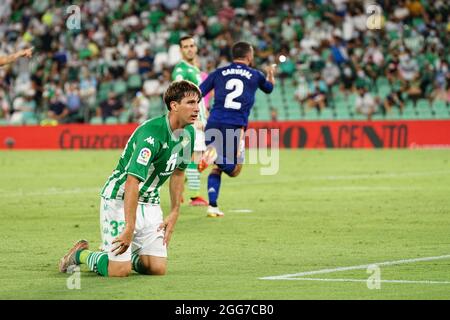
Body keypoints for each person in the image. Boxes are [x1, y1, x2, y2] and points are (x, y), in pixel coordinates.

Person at [59, 80, 199, 277]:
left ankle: (120, 256)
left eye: (197, 103)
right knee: (118, 271)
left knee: (156, 268)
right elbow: (132, 181)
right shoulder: (152, 134)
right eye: (191, 103)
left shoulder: (190, 134)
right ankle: (81, 254)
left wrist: (175, 211)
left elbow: (178, 173)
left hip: (150, 201)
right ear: (174, 106)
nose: (197, 108)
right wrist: (129, 227)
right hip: (120, 197)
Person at [199, 41, 275, 217]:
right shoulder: (255, 75)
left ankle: (213, 206)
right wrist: (271, 78)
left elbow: (199, 93)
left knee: (217, 167)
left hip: (214, 122)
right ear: (249, 56)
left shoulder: (218, 73)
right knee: (234, 170)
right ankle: (213, 156)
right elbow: (269, 89)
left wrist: (201, 115)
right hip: (234, 126)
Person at [171, 35, 209, 207]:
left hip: (200, 118)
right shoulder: (181, 69)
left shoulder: (194, 69)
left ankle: (178, 189)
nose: (189, 49)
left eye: (191, 45)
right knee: (194, 158)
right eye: (185, 46)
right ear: (181, 50)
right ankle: (195, 196)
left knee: (196, 158)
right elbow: (177, 89)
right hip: (191, 121)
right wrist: (191, 120)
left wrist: (204, 113)